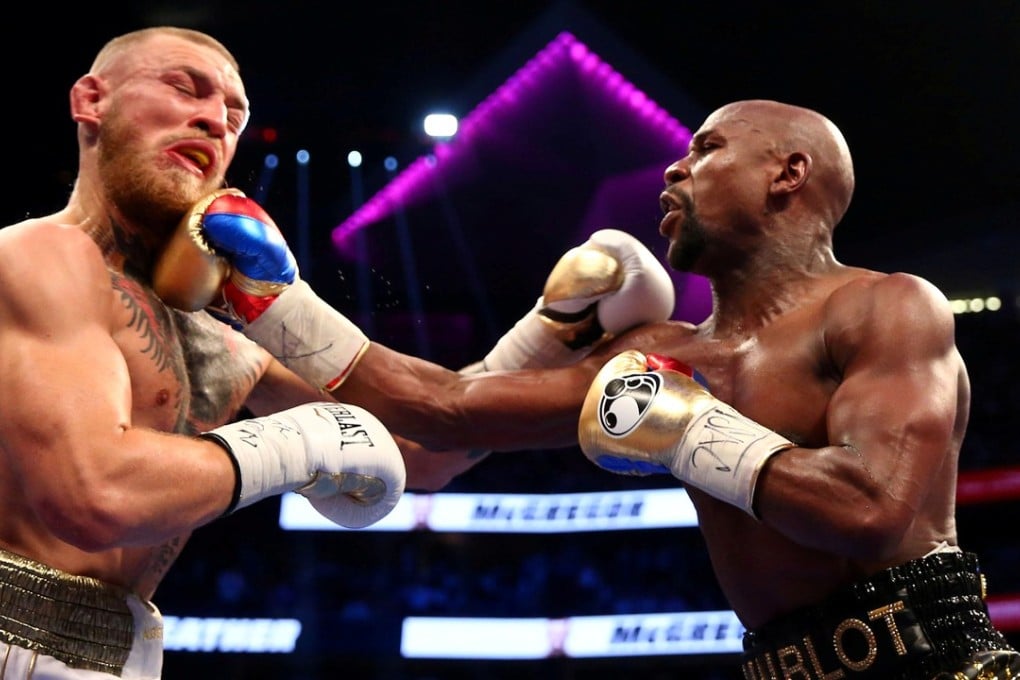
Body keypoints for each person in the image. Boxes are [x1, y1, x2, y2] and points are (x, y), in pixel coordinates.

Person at [168, 98, 1020, 676]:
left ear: (787, 175)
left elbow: (875, 511)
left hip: (935, 658)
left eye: (705, 150)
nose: (672, 172)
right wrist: (277, 300)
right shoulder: (660, 350)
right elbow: (441, 414)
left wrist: (688, 429)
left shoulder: (885, 306)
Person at [0, 26, 676, 679]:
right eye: (185, 88)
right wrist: (304, 439)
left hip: (124, 650)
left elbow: (417, 452)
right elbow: (94, 495)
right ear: (91, 100)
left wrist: (554, 335)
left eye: (233, 113)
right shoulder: (38, 256)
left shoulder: (220, 335)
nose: (213, 120)